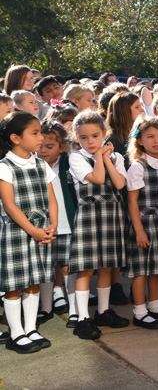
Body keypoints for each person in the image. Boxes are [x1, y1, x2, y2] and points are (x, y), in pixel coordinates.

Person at [0, 111, 59, 354]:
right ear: (15, 137)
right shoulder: (4, 167)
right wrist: (33, 231)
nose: (40, 138)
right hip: (17, 232)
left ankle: (30, 327)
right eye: (34, 133)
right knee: (15, 284)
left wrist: (52, 225)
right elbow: (10, 205)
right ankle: (16, 333)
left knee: (34, 281)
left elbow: (51, 199)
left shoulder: (41, 164)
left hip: (41, 231)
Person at [68, 111, 129, 339]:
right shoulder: (76, 158)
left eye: (95, 136)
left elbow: (120, 183)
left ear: (105, 133)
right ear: (76, 138)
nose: (90, 141)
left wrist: (106, 159)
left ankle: (103, 311)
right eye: (84, 137)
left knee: (106, 266)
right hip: (89, 217)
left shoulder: (117, 158)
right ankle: (83, 318)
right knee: (86, 269)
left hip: (111, 215)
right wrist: (99, 159)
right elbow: (99, 179)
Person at [123, 117, 158, 330]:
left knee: (157, 268)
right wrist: (139, 230)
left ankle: (155, 305)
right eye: (150, 136)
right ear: (140, 141)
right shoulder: (138, 167)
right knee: (141, 269)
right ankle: (140, 311)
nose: (156, 141)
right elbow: (132, 201)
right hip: (144, 223)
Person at [36, 121, 77, 326]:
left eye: (49, 147)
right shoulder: (33, 165)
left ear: (61, 148)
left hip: (67, 226)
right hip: (44, 227)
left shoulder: (68, 164)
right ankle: (45, 308)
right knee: (46, 268)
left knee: (69, 267)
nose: (43, 151)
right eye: (40, 146)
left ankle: (75, 310)